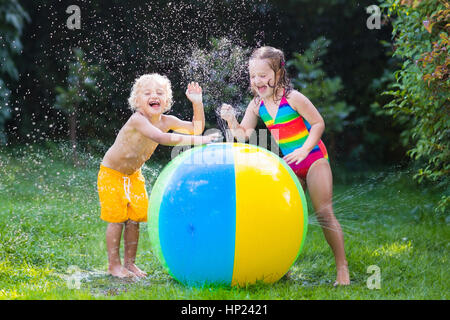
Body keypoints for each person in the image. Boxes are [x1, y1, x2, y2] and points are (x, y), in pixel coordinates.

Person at [220, 47, 350, 286]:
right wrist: (231, 121)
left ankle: (342, 269)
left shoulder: (293, 98)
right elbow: (243, 135)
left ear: (278, 73)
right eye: (253, 76)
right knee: (279, 214)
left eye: (263, 75)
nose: (257, 81)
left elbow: (318, 123)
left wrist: (304, 150)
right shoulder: (256, 105)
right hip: (292, 165)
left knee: (323, 213)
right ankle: (281, 266)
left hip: (314, 159)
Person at [98, 73, 219, 278]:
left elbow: (196, 129)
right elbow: (161, 138)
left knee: (135, 219)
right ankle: (114, 265)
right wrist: (201, 142)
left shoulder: (167, 120)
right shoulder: (138, 119)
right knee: (117, 220)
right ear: (137, 101)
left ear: (166, 100)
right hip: (112, 174)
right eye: (147, 93)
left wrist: (197, 103)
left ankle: (130, 264)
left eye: (159, 93)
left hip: (134, 175)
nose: (154, 96)